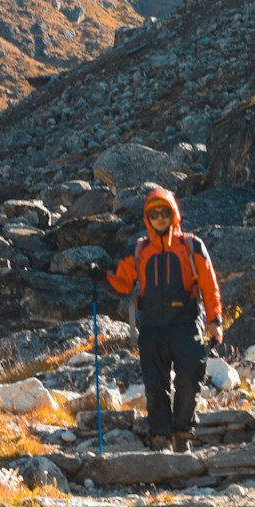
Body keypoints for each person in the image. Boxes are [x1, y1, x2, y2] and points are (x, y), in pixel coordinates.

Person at [91, 186, 223, 452]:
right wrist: (101, 277)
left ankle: (183, 432)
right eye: (154, 214)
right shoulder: (139, 249)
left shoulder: (191, 245)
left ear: (174, 215)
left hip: (186, 321)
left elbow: (210, 285)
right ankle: (160, 438)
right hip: (151, 325)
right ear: (147, 219)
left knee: (190, 375)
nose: (160, 218)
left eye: (165, 212)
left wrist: (215, 321)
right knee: (155, 383)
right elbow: (123, 285)